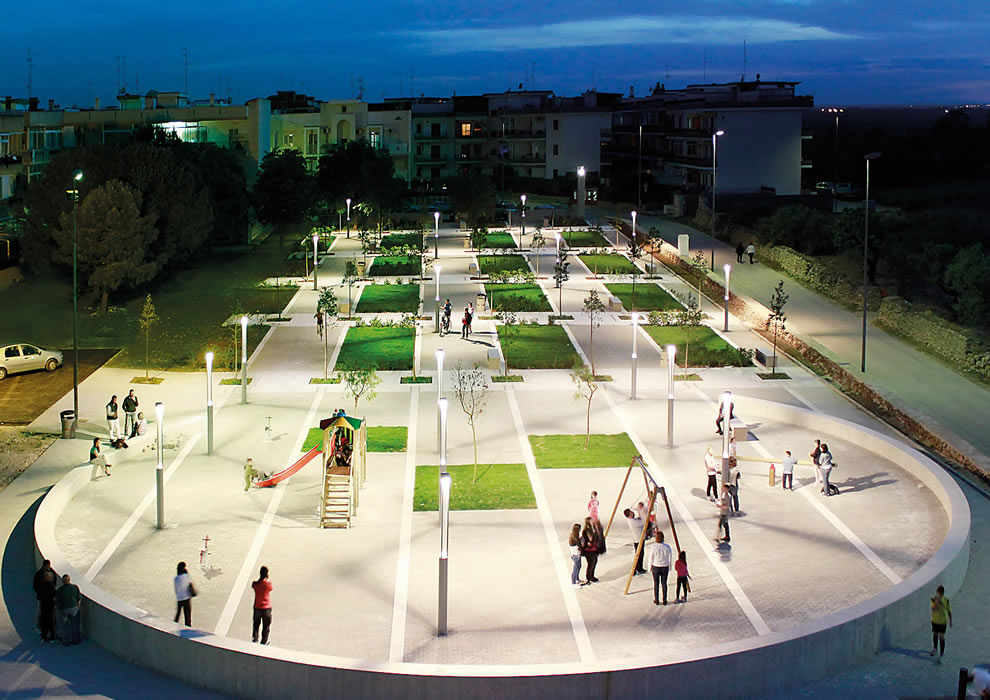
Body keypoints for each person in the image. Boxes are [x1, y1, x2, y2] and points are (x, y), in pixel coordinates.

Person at [33, 559, 58, 643]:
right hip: (46, 601)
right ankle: (48, 634)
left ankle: (44, 634)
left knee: (44, 617)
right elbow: (35, 585)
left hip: (44, 600)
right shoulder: (39, 575)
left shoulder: (47, 575)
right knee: (47, 618)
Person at [647, 530, 673, 606]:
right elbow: (670, 557)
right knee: (664, 583)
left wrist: (649, 567)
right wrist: (670, 567)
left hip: (656, 566)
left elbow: (650, 558)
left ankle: (656, 599)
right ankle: (665, 599)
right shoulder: (667, 547)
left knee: (656, 583)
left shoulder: (653, 547)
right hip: (665, 566)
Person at [55, 573, 81, 645]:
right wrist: (77, 606)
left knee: (64, 626)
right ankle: (76, 640)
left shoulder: (60, 590)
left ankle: (65, 641)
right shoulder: (75, 587)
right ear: (69, 580)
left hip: (63, 609)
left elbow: (57, 602)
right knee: (75, 625)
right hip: (74, 608)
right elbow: (78, 598)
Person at [929, 584, 952, 663]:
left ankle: (941, 653)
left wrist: (950, 621)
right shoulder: (933, 599)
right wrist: (937, 601)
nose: (939, 594)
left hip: (942, 621)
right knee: (935, 634)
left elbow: (949, 611)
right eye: (939, 593)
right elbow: (933, 609)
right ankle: (935, 648)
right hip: (935, 620)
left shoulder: (946, 600)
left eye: (941, 593)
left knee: (941, 636)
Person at [251, 566, 273, 645]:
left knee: (256, 624)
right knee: (266, 626)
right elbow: (271, 588)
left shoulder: (255, 584)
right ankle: (264, 641)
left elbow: (253, 585)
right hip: (266, 608)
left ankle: (255, 638)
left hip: (257, 607)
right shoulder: (268, 584)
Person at [623, 508, 648, 574]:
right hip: (638, 539)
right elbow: (643, 521)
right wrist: (642, 511)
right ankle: (635, 569)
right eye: (631, 512)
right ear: (629, 515)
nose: (633, 513)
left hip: (639, 539)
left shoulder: (632, 520)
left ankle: (639, 568)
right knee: (639, 555)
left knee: (640, 554)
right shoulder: (633, 522)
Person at [173, 561, 195, 627]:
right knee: (187, 615)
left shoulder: (176, 579)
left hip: (179, 598)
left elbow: (176, 589)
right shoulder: (186, 576)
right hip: (187, 598)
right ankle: (188, 627)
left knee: (178, 613)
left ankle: (174, 624)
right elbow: (189, 584)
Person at [580, 517, 601, 584]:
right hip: (588, 550)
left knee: (594, 562)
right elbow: (584, 540)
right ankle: (588, 577)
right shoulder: (586, 530)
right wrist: (587, 543)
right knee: (591, 563)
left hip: (594, 549)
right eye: (591, 521)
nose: (593, 521)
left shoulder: (593, 528)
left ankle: (592, 575)